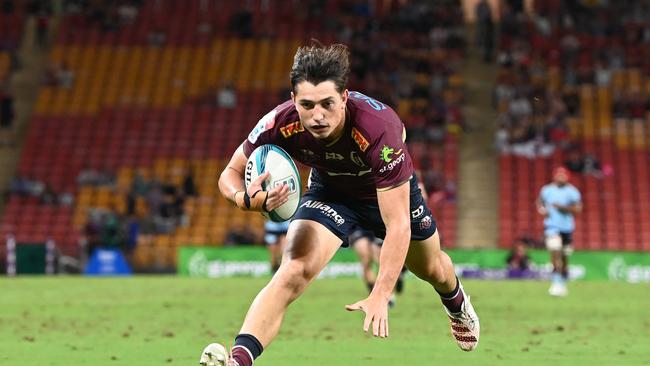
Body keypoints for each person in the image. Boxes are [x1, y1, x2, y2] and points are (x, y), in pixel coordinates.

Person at [200, 44, 479, 366]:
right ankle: (238, 361)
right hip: (330, 190)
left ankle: (457, 303)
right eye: (307, 105)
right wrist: (243, 199)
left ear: (344, 98)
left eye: (327, 104)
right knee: (293, 270)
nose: (317, 116)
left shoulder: (379, 129)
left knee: (431, 269)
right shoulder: (279, 121)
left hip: (387, 193)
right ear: (293, 101)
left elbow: (398, 224)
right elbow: (230, 173)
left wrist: (381, 293)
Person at [536, 166, 582, 297]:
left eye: (563, 175)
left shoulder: (572, 192)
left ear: (567, 177)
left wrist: (563, 208)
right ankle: (556, 283)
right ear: (554, 176)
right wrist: (542, 210)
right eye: (559, 175)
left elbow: (578, 209)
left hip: (567, 228)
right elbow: (539, 202)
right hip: (552, 227)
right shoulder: (547, 190)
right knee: (555, 251)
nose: (561, 177)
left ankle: (562, 282)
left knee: (564, 256)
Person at [348, 229, 405, 308]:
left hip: (374, 226)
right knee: (365, 260)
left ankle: (390, 290)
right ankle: (374, 296)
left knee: (381, 261)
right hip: (358, 227)